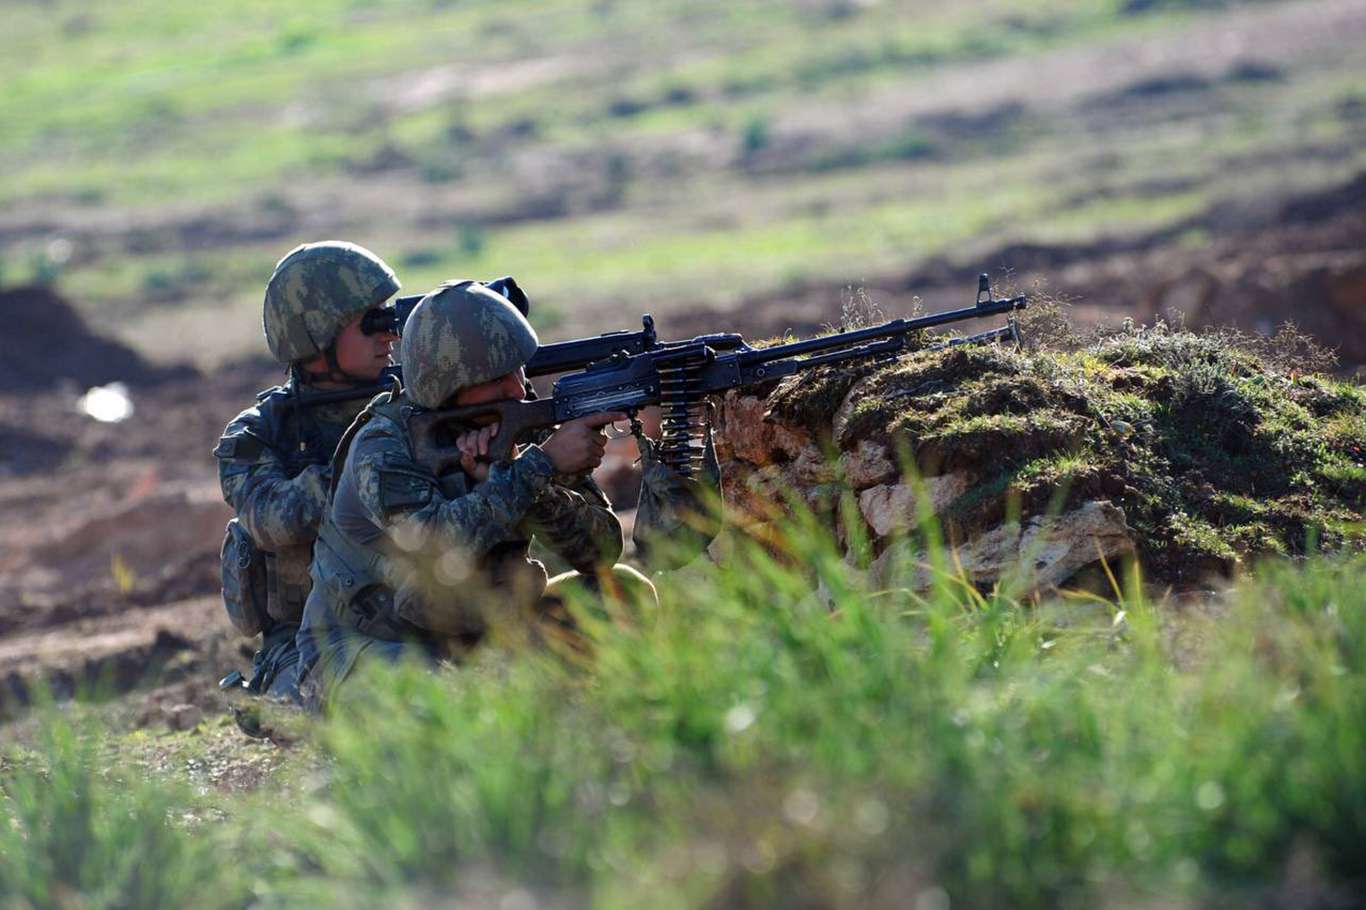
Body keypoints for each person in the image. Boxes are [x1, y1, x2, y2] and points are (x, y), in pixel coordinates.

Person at [295, 279, 656, 705]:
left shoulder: (516, 419)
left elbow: (601, 552)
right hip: (368, 646)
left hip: (479, 633)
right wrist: (535, 468)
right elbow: (437, 548)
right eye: (498, 379)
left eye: (519, 369)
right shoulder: (384, 447)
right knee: (438, 707)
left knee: (622, 592)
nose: (518, 388)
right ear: (446, 386)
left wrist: (533, 482)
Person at [213, 241, 401, 701]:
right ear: (319, 334)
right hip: (310, 643)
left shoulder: (415, 405)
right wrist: (370, 462)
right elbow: (271, 519)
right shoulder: (261, 433)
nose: (390, 336)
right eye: (372, 322)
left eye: (390, 318)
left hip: (424, 617)